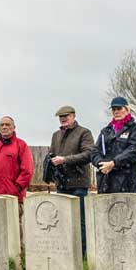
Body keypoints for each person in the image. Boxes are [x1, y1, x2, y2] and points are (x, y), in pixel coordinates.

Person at [48, 105, 94, 255]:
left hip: (78, 183)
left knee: (79, 220)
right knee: (62, 220)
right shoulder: (56, 135)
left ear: (73, 116)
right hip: (61, 183)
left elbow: (88, 154)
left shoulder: (84, 133)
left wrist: (65, 160)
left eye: (66, 116)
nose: (63, 119)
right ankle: (66, 251)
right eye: (61, 117)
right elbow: (52, 154)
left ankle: (82, 253)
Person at [93, 97, 136, 194]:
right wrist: (101, 164)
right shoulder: (105, 131)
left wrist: (114, 163)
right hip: (106, 182)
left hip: (128, 182)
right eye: (113, 109)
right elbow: (95, 151)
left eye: (119, 108)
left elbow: (135, 150)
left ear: (127, 110)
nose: (116, 112)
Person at [0, 116, 34, 201]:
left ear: (13, 127)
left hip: (14, 198)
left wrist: (17, 188)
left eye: (7, 124)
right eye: (2, 125)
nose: (4, 127)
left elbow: (27, 171)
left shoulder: (21, 145)